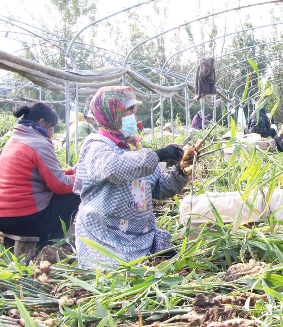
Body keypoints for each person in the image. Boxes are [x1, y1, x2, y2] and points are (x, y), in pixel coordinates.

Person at [74, 86, 194, 269]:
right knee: (118, 279)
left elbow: (157, 187)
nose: (134, 113)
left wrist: (181, 171)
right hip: (105, 236)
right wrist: (157, 155)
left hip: (138, 235)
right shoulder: (97, 146)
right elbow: (114, 168)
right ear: (112, 113)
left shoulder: (131, 146)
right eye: (128, 110)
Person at [0, 103, 80, 244]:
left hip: (2, 218)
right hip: (25, 219)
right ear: (42, 122)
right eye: (52, 127)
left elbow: (40, 176)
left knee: (71, 187)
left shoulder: (14, 141)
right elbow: (59, 185)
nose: (52, 131)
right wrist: (86, 178)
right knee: (75, 192)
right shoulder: (39, 144)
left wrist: (71, 172)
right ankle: (52, 244)